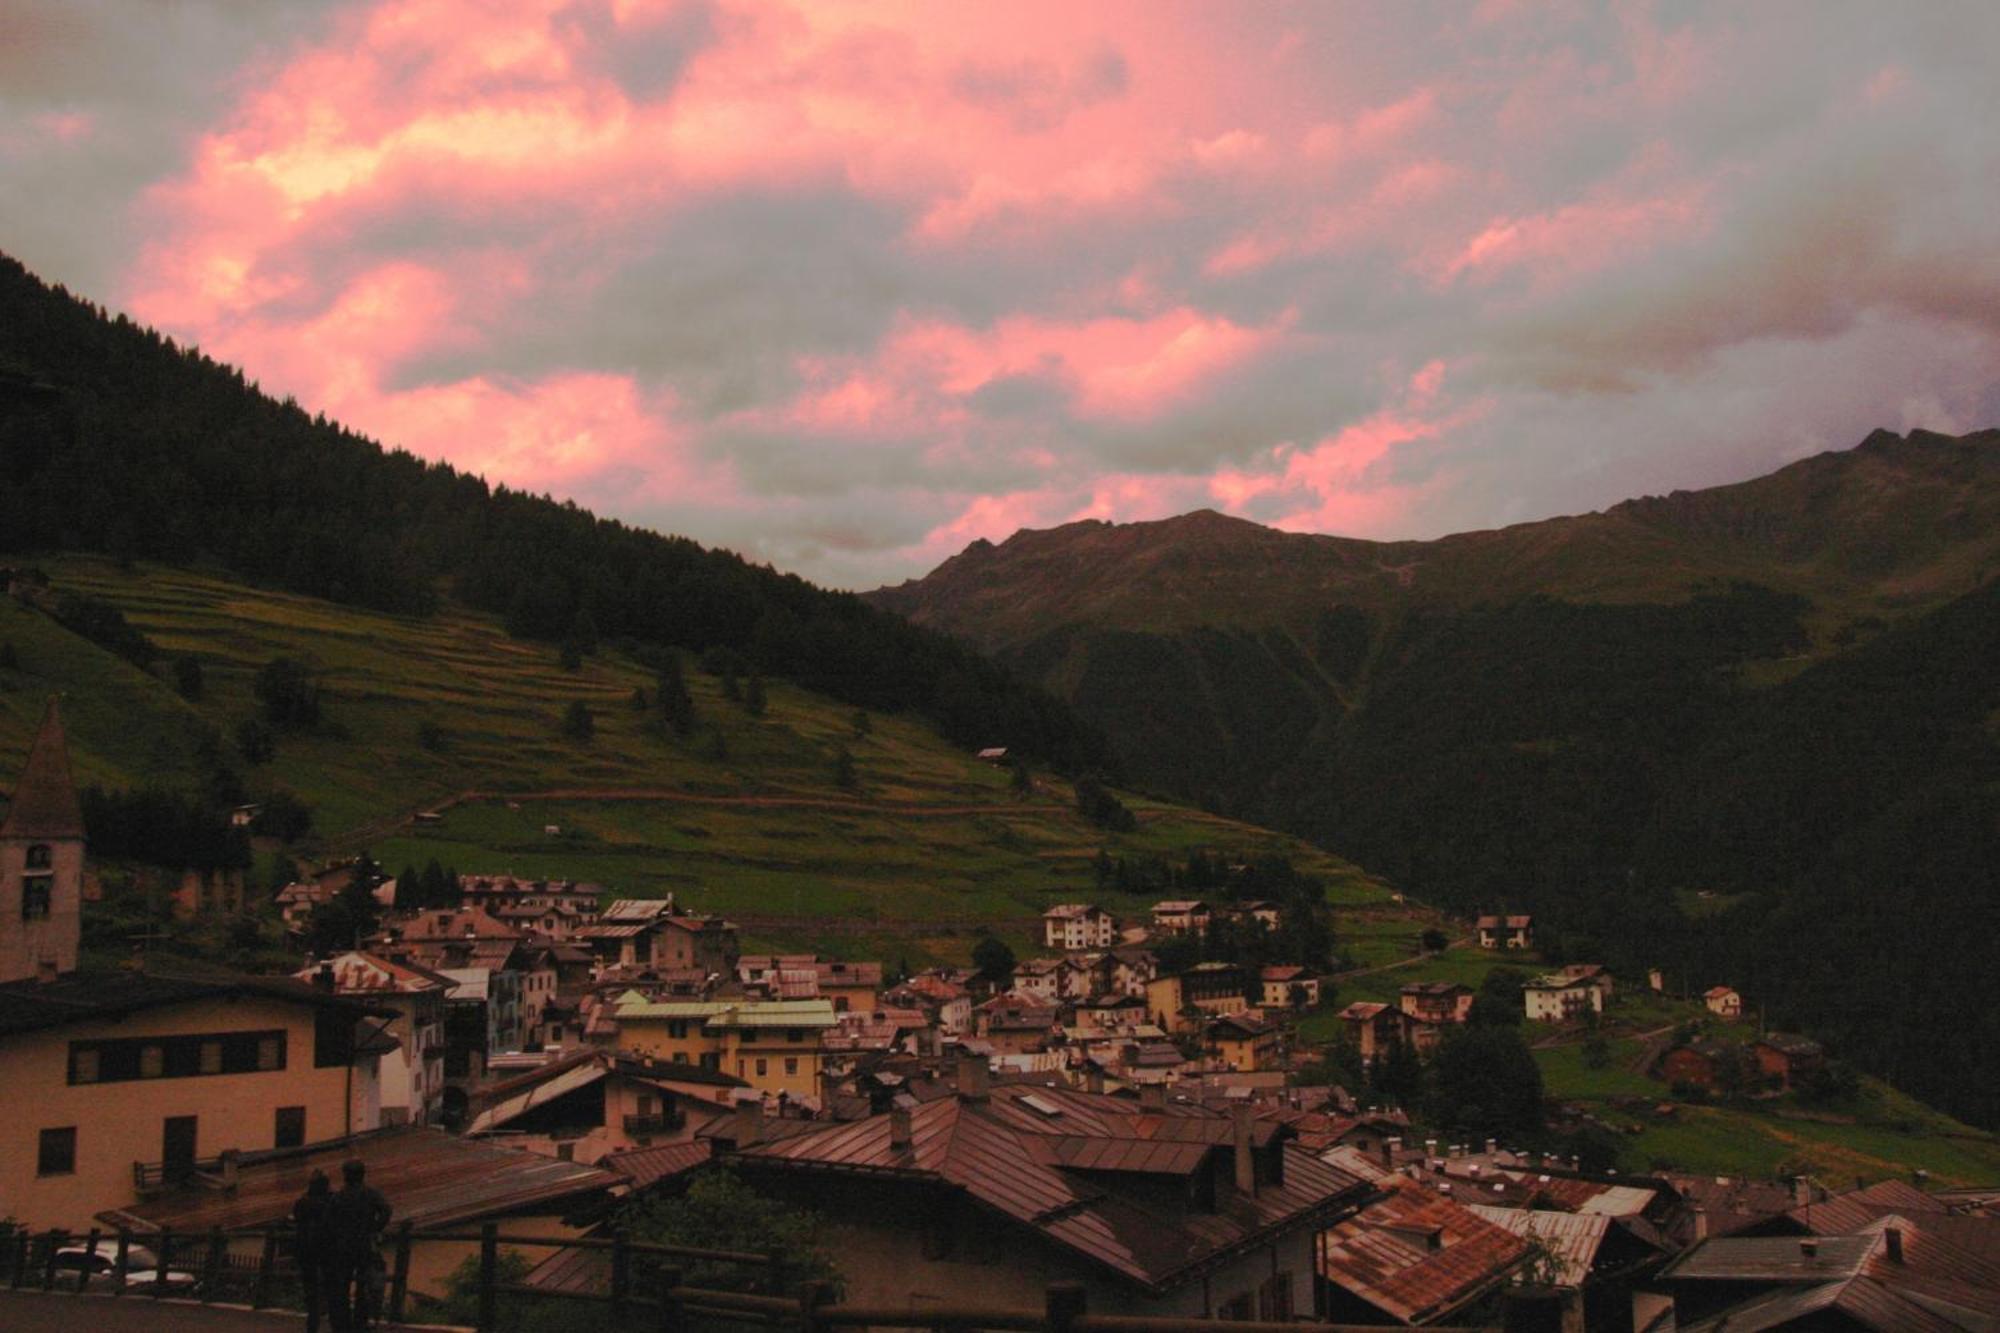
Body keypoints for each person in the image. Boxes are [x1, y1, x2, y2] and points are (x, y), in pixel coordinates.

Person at [324, 1158, 393, 1331]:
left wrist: (336, 1236)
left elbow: (329, 1221)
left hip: (343, 1246)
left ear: (346, 1175)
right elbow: (386, 1209)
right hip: (363, 1245)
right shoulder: (370, 1194)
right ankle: (360, 1321)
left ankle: (343, 1323)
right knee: (364, 1285)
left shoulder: (339, 1196)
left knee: (342, 1285)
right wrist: (375, 1227)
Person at [291, 1170, 333, 1333]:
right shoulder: (330, 1202)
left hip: (306, 1251)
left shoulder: (303, 1202)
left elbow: (297, 1218)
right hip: (326, 1250)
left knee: (311, 1289)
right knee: (329, 1286)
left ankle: (312, 1321)